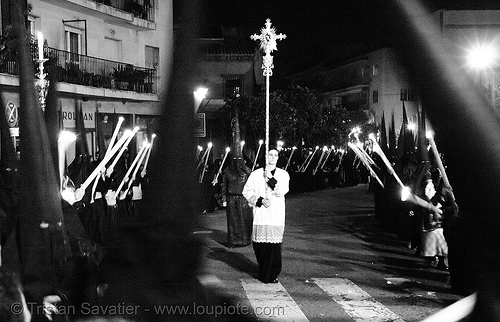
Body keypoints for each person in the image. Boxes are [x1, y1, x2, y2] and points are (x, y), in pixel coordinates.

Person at [243, 149, 290, 284]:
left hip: (275, 215)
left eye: (275, 155)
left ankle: (272, 274)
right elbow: (246, 191)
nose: (273, 157)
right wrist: (259, 200)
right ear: (265, 156)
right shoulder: (256, 174)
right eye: (270, 155)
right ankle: (264, 271)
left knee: (274, 248)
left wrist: (270, 178)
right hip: (261, 215)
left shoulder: (283, 174)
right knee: (260, 246)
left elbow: (281, 191)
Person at [221, 113, 253, 247]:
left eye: (239, 159)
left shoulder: (247, 171)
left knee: (245, 220)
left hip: (244, 199)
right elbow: (224, 185)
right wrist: (223, 199)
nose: (237, 161)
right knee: (233, 222)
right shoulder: (228, 171)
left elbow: (253, 185)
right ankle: (233, 240)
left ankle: (245, 239)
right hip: (231, 198)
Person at [419, 168, 448, 271]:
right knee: (434, 240)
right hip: (435, 219)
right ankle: (433, 259)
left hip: (441, 218)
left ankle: (440, 260)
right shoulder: (430, 185)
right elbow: (431, 196)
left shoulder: (442, 185)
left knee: (442, 242)